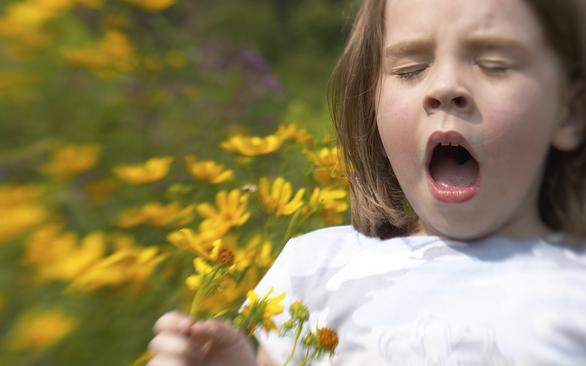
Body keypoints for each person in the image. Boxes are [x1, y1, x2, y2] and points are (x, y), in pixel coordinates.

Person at [148, 0, 586, 364]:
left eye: (494, 64)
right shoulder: (318, 267)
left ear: (569, 111)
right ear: (371, 102)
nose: (446, 87)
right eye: (412, 68)